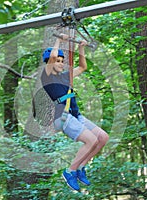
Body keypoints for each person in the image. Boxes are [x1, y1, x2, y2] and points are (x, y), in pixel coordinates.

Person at [41, 33, 109, 191]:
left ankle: (80, 167)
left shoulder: (66, 77)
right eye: (57, 61)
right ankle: (69, 171)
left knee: (102, 137)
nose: (60, 63)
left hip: (76, 115)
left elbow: (83, 67)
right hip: (63, 116)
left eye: (62, 61)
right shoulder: (47, 76)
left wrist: (81, 49)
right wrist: (59, 40)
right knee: (91, 140)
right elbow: (52, 57)